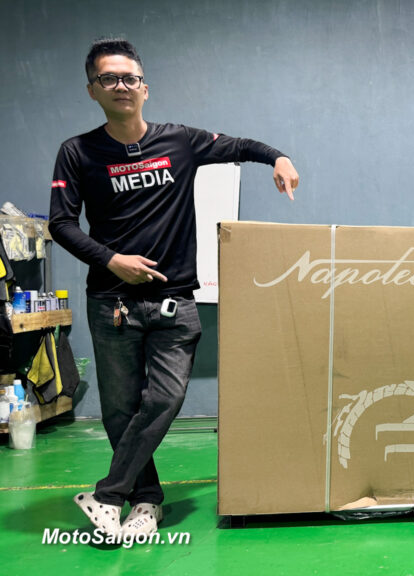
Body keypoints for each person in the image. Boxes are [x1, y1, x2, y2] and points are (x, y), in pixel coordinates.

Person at [48, 38, 299, 538]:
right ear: (92, 90)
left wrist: (279, 158)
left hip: (174, 302)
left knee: (164, 399)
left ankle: (107, 495)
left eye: (130, 78)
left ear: (144, 88)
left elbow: (242, 147)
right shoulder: (77, 152)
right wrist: (111, 260)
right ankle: (146, 501)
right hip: (112, 302)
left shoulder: (180, 141)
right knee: (120, 412)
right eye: (108, 78)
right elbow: (61, 223)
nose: (121, 86)